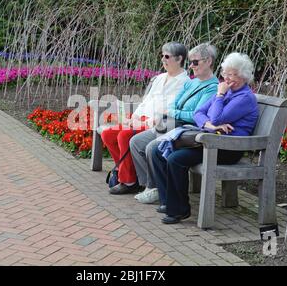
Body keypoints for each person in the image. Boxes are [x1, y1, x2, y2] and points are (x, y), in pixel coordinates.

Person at [149, 52, 259, 224]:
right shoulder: (229, 91)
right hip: (212, 140)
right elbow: (199, 113)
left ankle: (179, 210)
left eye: (232, 74)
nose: (227, 78)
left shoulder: (244, 97)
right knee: (158, 150)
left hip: (228, 148)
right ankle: (169, 203)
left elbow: (215, 117)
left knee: (175, 159)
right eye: (225, 74)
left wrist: (219, 97)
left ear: (244, 76)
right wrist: (210, 125)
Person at [130, 43, 219, 203]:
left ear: (208, 61)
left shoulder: (212, 88)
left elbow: (196, 116)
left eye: (195, 62)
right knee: (136, 142)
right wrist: (171, 112)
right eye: (190, 62)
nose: (191, 66)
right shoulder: (191, 83)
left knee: (152, 147)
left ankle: (158, 189)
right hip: (172, 123)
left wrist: (172, 112)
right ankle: (150, 186)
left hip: (187, 129)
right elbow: (173, 105)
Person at [101, 42, 190, 195]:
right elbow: (146, 100)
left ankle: (129, 181)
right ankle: (129, 172)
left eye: (167, 56)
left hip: (160, 124)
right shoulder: (160, 78)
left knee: (124, 135)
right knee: (108, 134)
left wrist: (144, 122)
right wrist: (133, 117)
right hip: (141, 118)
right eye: (162, 56)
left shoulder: (185, 83)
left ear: (179, 59)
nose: (163, 59)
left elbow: (168, 112)